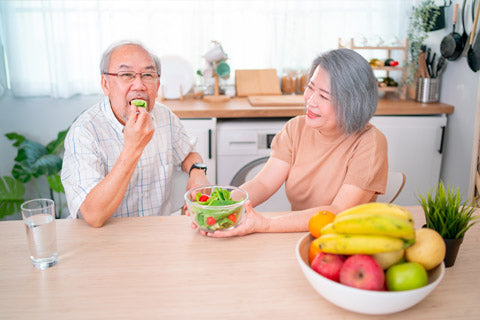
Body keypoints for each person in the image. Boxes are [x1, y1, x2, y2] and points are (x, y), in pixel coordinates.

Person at [199, 48, 388, 237]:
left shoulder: (370, 142)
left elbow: (338, 211)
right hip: (298, 235)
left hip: (343, 239)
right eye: (310, 87)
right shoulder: (296, 128)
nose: (310, 101)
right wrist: (221, 207)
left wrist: (265, 224)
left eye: (323, 96)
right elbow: (263, 183)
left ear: (352, 104)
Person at [61, 40, 209, 227]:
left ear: (157, 84)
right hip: (104, 241)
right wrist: (133, 147)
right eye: (126, 75)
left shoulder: (164, 116)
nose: (139, 85)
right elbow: (93, 215)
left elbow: (187, 154)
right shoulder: (84, 133)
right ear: (105, 84)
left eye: (148, 75)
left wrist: (198, 173)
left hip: (156, 234)